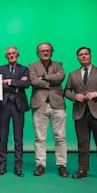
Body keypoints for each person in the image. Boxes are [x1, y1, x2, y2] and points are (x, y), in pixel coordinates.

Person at [64, 47, 97, 183]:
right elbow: (67, 91)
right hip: (80, 113)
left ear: (90, 56)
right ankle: (82, 170)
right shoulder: (73, 74)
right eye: (81, 55)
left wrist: (96, 94)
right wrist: (75, 96)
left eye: (86, 54)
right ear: (78, 58)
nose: (84, 56)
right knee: (82, 144)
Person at [29, 42, 69, 178]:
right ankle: (40, 165)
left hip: (57, 104)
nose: (45, 53)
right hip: (39, 105)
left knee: (61, 137)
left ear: (51, 52)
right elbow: (33, 81)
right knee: (39, 138)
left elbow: (61, 77)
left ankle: (62, 165)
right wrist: (52, 81)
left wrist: (44, 77)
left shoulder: (58, 64)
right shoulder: (32, 65)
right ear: (38, 53)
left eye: (47, 50)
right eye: (42, 51)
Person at [0, 46, 30, 177]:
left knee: (18, 138)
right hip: (4, 105)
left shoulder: (24, 69)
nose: (11, 55)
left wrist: (8, 81)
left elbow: (26, 84)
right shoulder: (0, 69)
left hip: (18, 106)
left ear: (18, 54)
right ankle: (2, 166)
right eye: (9, 54)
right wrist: (17, 84)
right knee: (3, 137)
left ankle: (18, 167)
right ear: (6, 56)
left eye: (14, 53)